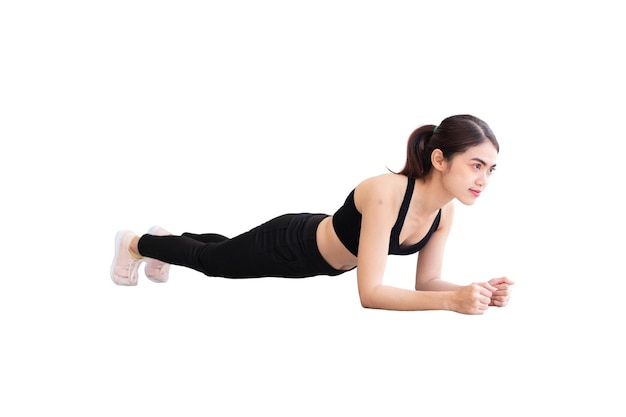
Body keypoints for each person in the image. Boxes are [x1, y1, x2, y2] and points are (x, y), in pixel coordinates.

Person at [110, 114, 513, 315]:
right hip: (292, 244)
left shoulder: (444, 215)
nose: (484, 179)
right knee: (215, 263)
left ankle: (165, 241)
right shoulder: (385, 194)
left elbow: (426, 282)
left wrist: (471, 290)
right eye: (476, 165)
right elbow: (369, 295)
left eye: (490, 169)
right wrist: (451, 303)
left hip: (317, 261)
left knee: (227, 249)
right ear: (440, 159)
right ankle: (135, 244)